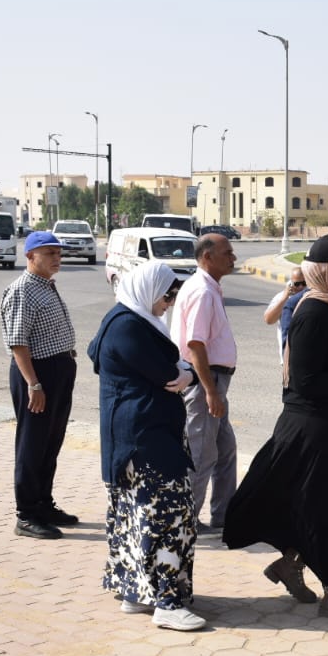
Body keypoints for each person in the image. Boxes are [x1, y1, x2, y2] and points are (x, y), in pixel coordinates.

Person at [223, 234, 328, 621]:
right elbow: (306, 382)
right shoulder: (312, 313)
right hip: (318, 430)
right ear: (326, 272)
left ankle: (291, 563)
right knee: (325, 510)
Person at [87, 261, 204, 631]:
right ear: (148, 290)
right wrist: (188, 374)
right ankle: (167, 602)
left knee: (139, 517)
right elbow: (169, 375)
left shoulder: (127, 319)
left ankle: (137, 592)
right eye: (167, 295)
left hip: (136, 438)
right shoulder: (127, 326)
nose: (169, 303)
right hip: (145, 440)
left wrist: (185, 374)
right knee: (169, 517)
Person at [0, 231, 80, 540]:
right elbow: (18, 343)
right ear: (30, 256)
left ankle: (43, 503)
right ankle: (26, 514)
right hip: (37, 373)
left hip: (57, 370)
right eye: (49, 253)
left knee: (50, 442)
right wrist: (33, 384)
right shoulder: (23, 290)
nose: (56, 258)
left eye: (58, 253)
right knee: (32, 444)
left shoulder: (45, 285)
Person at [170, 233, 239, 534]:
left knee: (225, 449)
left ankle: (224, 515)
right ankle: (186, 521)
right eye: (227, 253)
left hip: (214, 381)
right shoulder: (202, 292)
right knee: (201, 452)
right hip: (205, 381)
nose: (233, 258)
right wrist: (210, 391)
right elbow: (195, 344)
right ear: (207, 257)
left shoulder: (208, 287)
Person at [264, 266, 307, 362]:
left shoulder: (312, 296)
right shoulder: (281, 297)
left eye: (304, 283)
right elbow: (269, 320)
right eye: (297, 284)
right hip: (289, 356)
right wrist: (285, 298)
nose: (301, 287)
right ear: (291, 283)